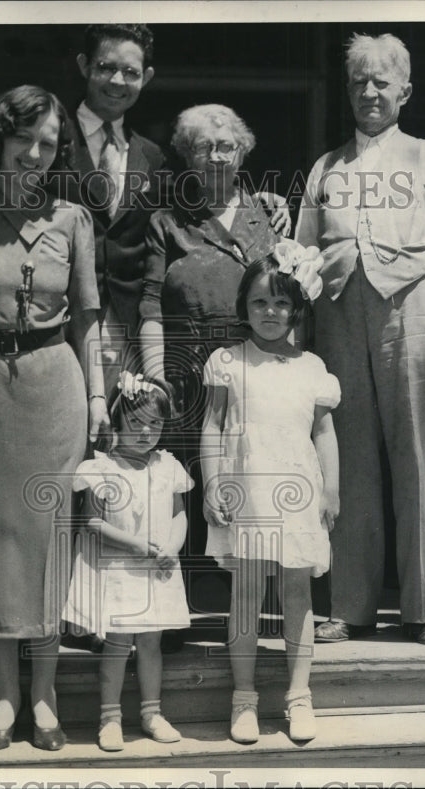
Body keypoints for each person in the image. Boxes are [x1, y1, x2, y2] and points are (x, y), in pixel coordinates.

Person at [0, 24, 291, 398]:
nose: (117, 80)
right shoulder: (51, 139)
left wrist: (260, 198)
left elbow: (203, 190)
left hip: (127, 325)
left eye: (131, 72)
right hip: (54, 321)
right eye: (106, 67)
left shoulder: (153, 156)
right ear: (84, 65)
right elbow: (13, 173)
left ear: (147, 77)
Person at [0, 85, 108, 754]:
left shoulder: (72, 220)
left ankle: (46, 694)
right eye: (23, 138)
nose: (34, 153)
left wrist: (96, 401)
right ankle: (5, 697)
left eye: (47, 143)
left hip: (54, 391)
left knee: (46, 538)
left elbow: (89, 321)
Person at [295, 33, 425, 646]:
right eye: (358, 82)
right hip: (342, 316)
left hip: (416, 311)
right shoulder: (325, 168)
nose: (369, 92)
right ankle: (350, 607)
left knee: (417, 459)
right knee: (347, 459)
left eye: (381, 82)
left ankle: (421, 609)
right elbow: (301, 255)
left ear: (404, 91)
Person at [201, 240, 339, 744]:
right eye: (259, 302)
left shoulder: (312, 368)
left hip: (299, 491)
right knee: (247, 594)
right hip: (248, 491)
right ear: (244, 307)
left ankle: (299, 696)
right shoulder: (229, 361)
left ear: (297, 307)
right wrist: (213, 481)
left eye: (281, 302)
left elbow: (324, 434)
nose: (270, 312)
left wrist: (332, 491)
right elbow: (213, 425)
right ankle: (244, 699)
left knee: (298, 593)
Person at [139, 105, 282, 592]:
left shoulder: (268, 215)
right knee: (183, 485)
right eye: (205, 147)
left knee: (249, 475)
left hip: (252, 371)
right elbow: (151, 304)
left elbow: (292, 298)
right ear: (187, 157)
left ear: (242, 154)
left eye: (226, 147)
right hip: (185, 372)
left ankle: (247, 607)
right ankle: (178, 607)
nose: (217, 156)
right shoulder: (168, 221)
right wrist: (156, 376)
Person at [63, 380, 191, 751]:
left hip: (158, 570)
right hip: (120, 571)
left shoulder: (168, 466)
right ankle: (110, 717)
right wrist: (138, 545)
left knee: (151, 644)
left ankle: (152, 714)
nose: (146, 432)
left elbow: (179, 516)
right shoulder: (103, 468)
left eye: (155, 424)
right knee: (118, 644)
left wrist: (172, 547)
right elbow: (93, 522)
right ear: (117, 424)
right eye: (136, 423)